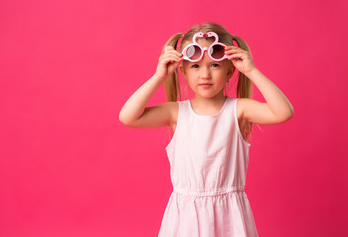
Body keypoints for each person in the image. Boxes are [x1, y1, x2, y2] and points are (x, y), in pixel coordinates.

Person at [119, 22, 294, 237]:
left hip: (230, 216)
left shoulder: (238, 109)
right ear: (182, 69)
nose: (205, 75)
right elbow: (127, 117)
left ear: (230, 69)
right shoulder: (176, 113)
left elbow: (283, 112)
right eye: (195, 66)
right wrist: (159, 76)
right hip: (186, 219)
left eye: (214, 65)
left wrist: (251, 71)